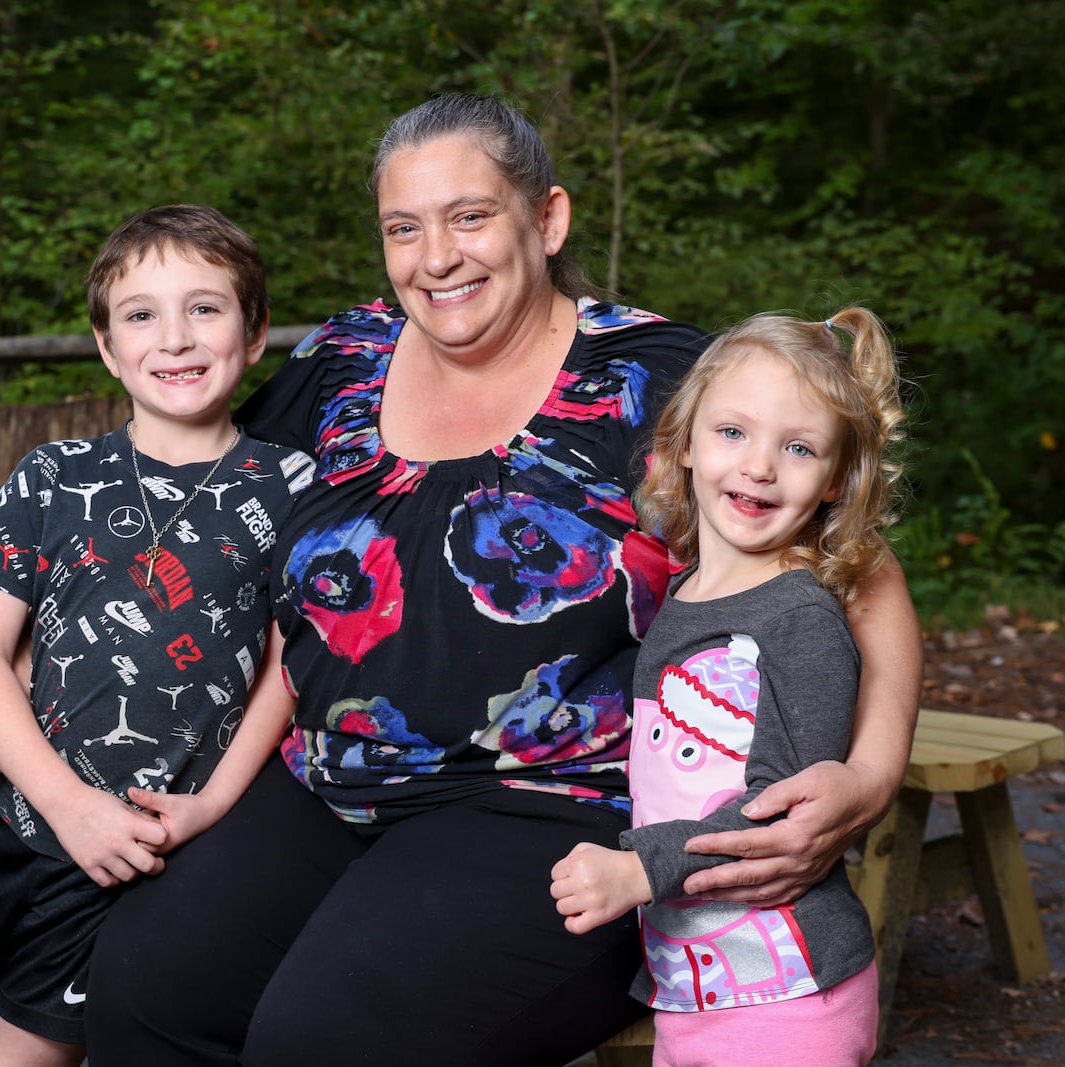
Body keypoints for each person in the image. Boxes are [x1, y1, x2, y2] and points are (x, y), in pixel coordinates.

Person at [85, 93, 921, 1066]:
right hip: (322, 782)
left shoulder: (659, 378)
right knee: (142, 987)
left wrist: (867, 776)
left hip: (556, 815)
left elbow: (862, 570)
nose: (435, 256)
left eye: (469, 215)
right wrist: (16, 649)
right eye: (405, 227)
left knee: (323, 1040)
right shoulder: (342, 361)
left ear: (547, 219)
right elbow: (197, 511)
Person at [0, 204, 313, 1066]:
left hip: (182, 832)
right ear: (108, 347)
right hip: (44, 823)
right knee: (18, 1040)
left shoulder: (292, 485)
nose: (175, 337)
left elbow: (289, 663)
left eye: (206, 308)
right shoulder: (55, 478)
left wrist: (213, 801)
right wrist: (70, 807)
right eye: (141, 314)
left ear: (255, 333)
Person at [549, 308, 906, 1065]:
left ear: (838, 479)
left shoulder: (799, 616)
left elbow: (777, 813)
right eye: (733, 432)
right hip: (696, 977)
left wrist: (639, 866)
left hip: (785, 992)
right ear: (681, 443)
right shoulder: (683, 599)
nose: (759, 466)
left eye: (799, 447)